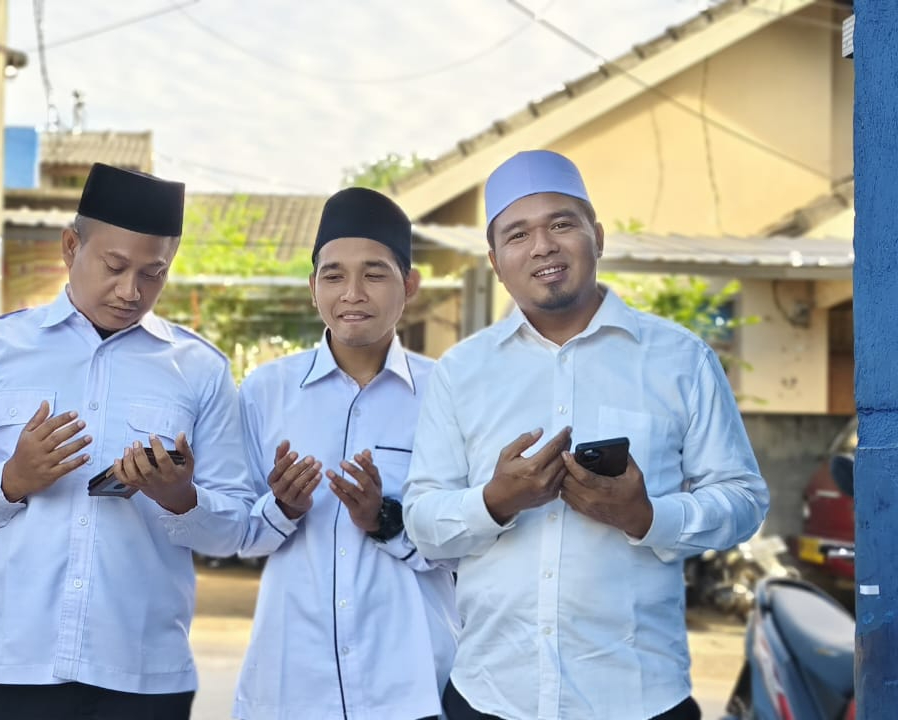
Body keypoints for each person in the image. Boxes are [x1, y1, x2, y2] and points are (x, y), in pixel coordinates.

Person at [402, 150, 769, 720]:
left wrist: (646, 517)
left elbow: (743, 500)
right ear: (496, 262)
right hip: (493, 694)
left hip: (638, 697)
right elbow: (422, 522)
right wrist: (496, 501)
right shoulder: (461, 371)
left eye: (561, 224)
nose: (542, 246)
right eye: (517, 234)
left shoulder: (680, 360)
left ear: (596, 236)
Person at [0, 162, 254, 720]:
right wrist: (12, 480)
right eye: (114, 266)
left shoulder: (200, 370)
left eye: (153, 273)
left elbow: (236, 527)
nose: (131, 291)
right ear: (70, 246)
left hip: (141, 674)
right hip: (8, 668)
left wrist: (179, 496)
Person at [231, 187, 457, 720]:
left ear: (410, 286)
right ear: (313, 288)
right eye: (333, 276)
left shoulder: (447, 393)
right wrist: (282, 508)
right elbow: (236, 532)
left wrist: (385, 520)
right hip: (291, 685)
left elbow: (468, 540)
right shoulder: (266, 391)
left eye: (374, 274)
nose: (352, 293)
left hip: (408, 685)